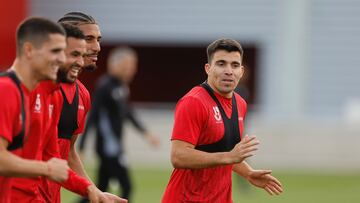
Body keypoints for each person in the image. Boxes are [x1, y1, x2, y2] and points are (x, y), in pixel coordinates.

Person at [161, 38, 283, 202]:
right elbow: (178, 156)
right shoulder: (194, 102)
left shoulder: (240, 103)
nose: (228, 71)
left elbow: (224, 151)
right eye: (221, 64)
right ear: (208, 68)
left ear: (241, 71)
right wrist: (229, 157)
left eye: (234, 65)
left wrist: (248, 173)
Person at [41, 13, 126, 203]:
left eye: (98, 39)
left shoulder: (83, 94)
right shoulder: (39, 88)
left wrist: (95, 191)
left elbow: (68, 152)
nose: (97, 47)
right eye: (88, 39)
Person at [0, 17, 70, 203]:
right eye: (55, 51)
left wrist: (89, 189)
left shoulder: (23, 92)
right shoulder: (6, 89)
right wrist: (47, 169)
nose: (62, 59)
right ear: (29, 50)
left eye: (63, 52)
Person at [78, 47, 160, 203]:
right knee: (127, 187)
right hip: (109, 148)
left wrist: (146, 133)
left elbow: (127, 112)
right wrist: (82, 147)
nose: (132, 70)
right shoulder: (105, 86)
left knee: (98, 189)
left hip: (114, 147)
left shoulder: (121, 87)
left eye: (133, 66)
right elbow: (93, 116)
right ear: (114, 65)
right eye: (128, 66)